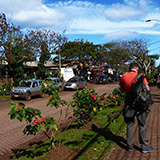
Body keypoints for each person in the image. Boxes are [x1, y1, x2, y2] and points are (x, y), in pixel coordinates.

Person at [119, 62, 153, 153]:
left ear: (130, 68)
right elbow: (148, 89)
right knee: (142, 124)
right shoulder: (141, 76)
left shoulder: (124, 76)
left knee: (130, 124)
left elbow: (122, 90)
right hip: (140, 102)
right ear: (136, 68)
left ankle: (129, 146)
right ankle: (144, 147)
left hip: (129, 102)